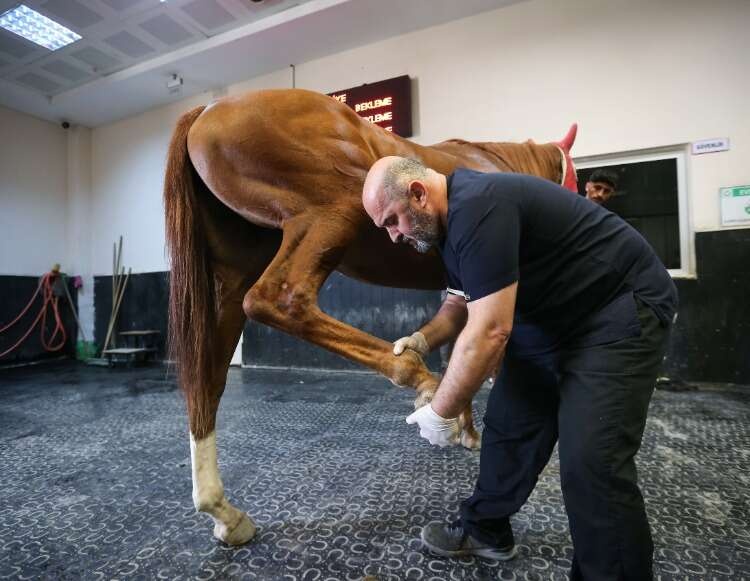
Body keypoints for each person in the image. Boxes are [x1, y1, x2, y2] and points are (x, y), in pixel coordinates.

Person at [362, 157, 677, 580]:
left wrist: (442, 410)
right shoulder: (448, 225)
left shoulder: (480, 206)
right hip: (551, 321)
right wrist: (421, 340)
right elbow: (458, 302)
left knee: (593, 465)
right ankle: (486, 529)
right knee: (510, 427)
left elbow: (490, 329)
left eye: (391, 221)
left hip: (616, 310)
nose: (393, 236)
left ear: (418, 193)